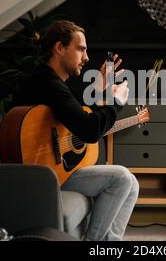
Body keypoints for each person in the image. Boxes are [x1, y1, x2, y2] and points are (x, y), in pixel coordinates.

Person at [13, 20, 139, 241]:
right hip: (42, 175)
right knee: (121, 179)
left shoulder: (49, 82)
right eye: (81, 49)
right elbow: (90, 130)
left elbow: (79, 120)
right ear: (60, 48)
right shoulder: (47, 84)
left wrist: (100, 88)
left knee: (131, 183)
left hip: (53, 169)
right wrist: (116, 101)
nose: (87, 57)